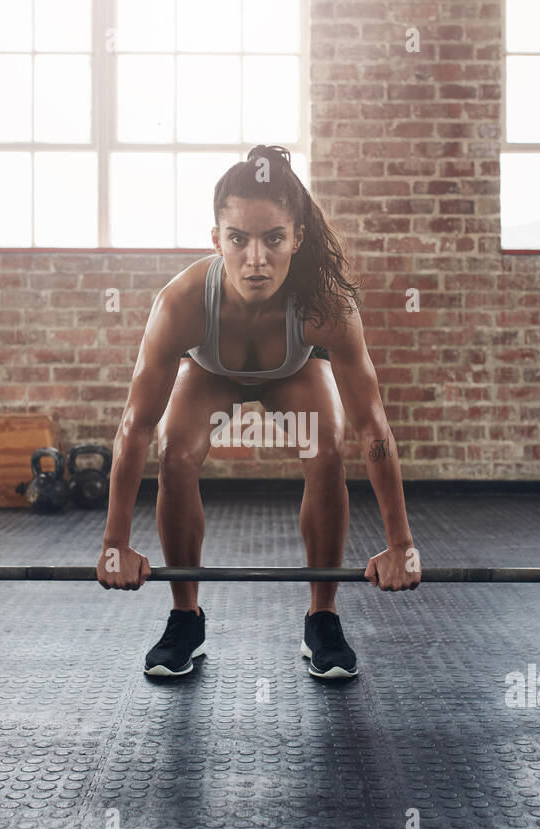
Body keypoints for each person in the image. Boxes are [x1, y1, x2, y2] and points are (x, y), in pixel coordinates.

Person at [95, 145, 420, 679]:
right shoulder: (179, 304)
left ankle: (323, 617)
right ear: (216, 240)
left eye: (273, 239)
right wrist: (114, 544)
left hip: (293, 372)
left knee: (326, 450)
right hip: (210, 373)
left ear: (297, 238)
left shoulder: (327, 307)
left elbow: (372, 427)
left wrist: (401, 545)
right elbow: (135, 425)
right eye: (239, 240)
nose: (256, 259)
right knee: (174, 452)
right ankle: (185, 617)